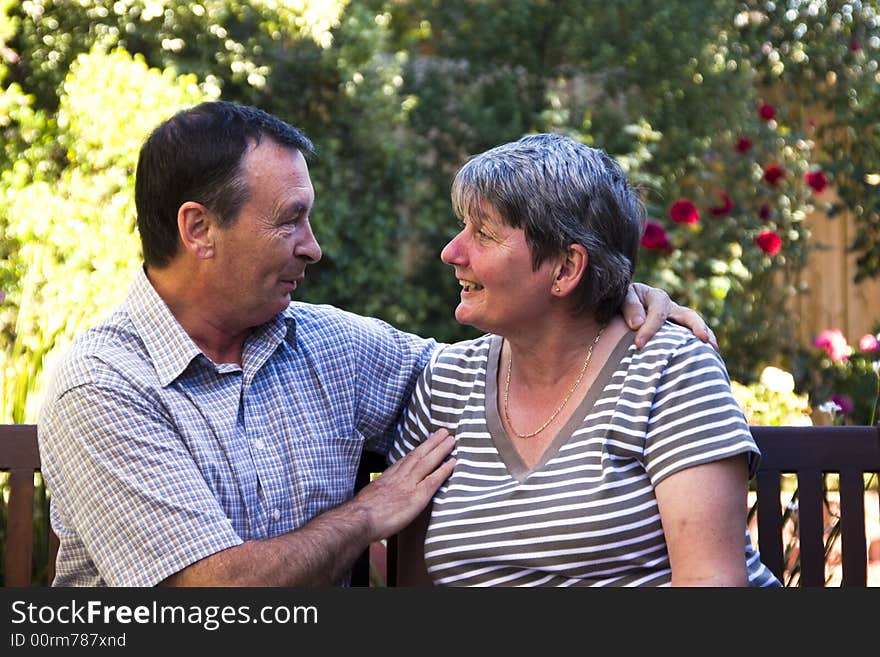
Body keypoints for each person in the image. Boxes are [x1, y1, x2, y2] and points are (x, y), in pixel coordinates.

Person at [37, 102, 713, 587]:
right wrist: (366, 513)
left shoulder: (331, 347)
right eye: (291, 220)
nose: (314, 245)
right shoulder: (102, 385)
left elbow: (533, 355)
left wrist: (619, 293)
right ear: (198, 228)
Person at [390, 133, 781, 586]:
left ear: (565, 269)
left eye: (484, 234)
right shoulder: (446, 385)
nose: (452, 252)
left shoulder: (670, 371)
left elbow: (711, 584)